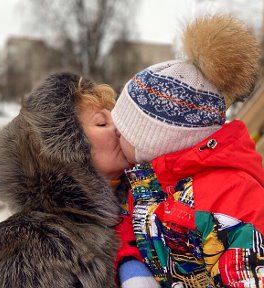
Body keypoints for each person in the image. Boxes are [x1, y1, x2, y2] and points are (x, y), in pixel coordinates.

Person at [111, 15, 264, 287]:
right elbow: (127, 231)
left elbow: (249, 274)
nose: (114, 131)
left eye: (123, 129)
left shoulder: (232, 194)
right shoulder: (146, 182)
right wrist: (134, 272)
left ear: (155, 140)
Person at [0, 72, 132, 288]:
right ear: (60, 155)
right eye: (101, 123)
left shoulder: (150, 204)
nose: (119, 129)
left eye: (115, 118)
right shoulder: (26, 244)